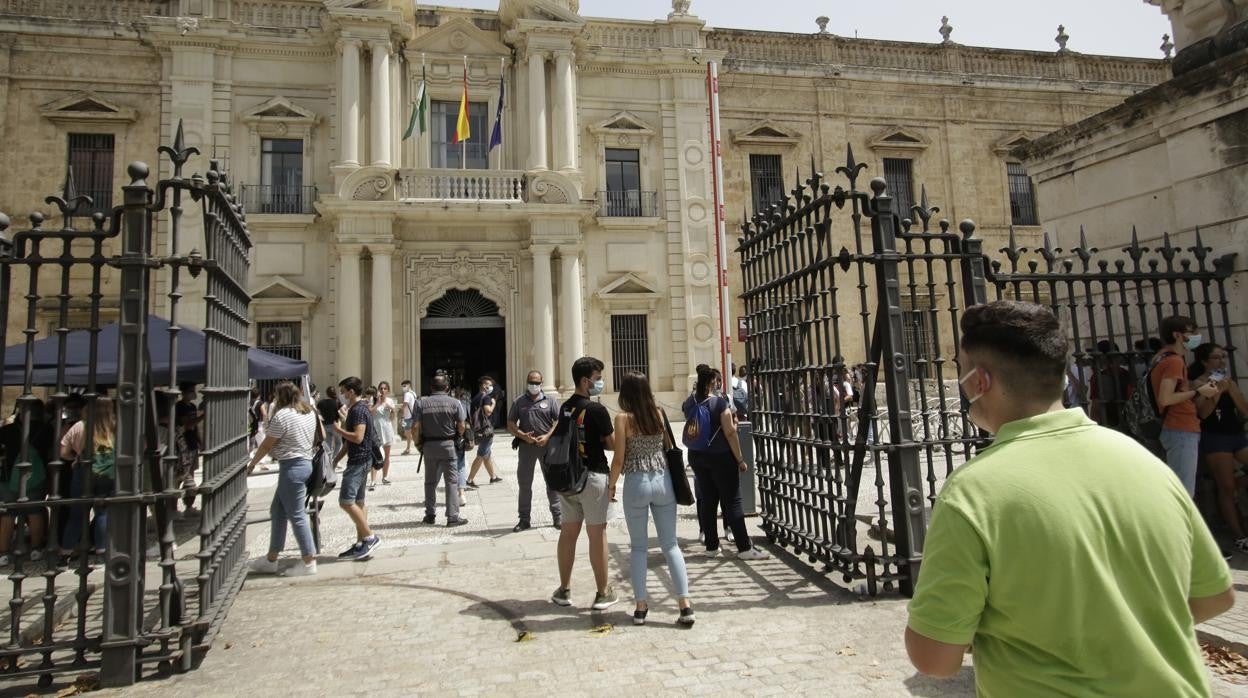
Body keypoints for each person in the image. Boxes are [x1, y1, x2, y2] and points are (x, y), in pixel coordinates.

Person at [905, 301, 1234, 695]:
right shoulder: (1145, 464)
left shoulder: (973, 493)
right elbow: (1215, 597)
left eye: (961, 370)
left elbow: (934, 658)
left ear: (980, 381)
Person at [608, 372, 694, 626]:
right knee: (670, 545)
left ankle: (641, 606)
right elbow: (668, 446)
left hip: (636, 482)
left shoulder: (623, 419)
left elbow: (619, 458)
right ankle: (684, 603)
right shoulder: (658, 413)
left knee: (638, 547)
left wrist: (611, 486)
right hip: (663, 480)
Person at [550, 356, 618, 610]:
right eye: (598, 379)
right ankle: (602, 591)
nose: (600, 383)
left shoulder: (565, 407)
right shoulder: (597, 410)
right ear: (585, 380)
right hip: (593, 476)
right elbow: (610, 444)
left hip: (568, 478)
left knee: (568, 534)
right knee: (597, 533)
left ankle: (564, 589)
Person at [684, 366, 769, 561]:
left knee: (708, 500)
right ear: (711, 382)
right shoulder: (719, 403)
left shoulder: (689, 403)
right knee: (732, 501)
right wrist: (740, 459)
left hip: (697, 455)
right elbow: (730, 433)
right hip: (721, 456)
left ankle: (712, 546)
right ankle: (744, 547)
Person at [246, 381, 319, 576]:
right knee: (277, 510)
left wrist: (252, 464)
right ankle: (271, 559)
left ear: (281, 396)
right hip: (305, 462)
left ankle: (309, 561)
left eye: (277, 396)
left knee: (297, 514)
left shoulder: (283, 415)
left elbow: (267, 444)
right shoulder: (309, 412)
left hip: (292, 466)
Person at [1152, 316, 1220, 496]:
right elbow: (1166, 398)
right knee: (1184, 491)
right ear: (1178, 335)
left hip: (1176, 428)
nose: (1197, 335)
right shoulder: (1174, 361)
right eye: (1192, 332)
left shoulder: (1161, 357)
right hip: (1180, 428)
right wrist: (1199, 392)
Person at [1190, 343, 1248, 552]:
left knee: (1234, 483)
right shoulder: (1198, 383)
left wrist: (1230, 390)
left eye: (1223, 357)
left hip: (1237, 435)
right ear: (1205, 362)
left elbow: (1244, 409)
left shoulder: (1228, 382)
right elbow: (1203, 413)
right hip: (1215, 438)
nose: (1221, 361)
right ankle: (1239, 535)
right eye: (1216, 358)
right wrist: (1215, 392)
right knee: (1226, 487)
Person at [332, 377, 381, 561]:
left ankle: (369, 537)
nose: (342, 395)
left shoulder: (359, 410)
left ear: (351, 391)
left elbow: (358, 437)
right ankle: (361, 544)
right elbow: (351, 440)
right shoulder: (359, 409)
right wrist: (337, 458)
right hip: (361, 459)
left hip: (359, 461)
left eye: (344, 391)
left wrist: (339, 430)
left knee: (346, 501)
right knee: (359, 503)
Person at [60, 396, 116, 557]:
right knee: (102, 512)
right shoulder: (114, 425)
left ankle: (66, 551)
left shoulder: (79, 425)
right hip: (107, 472)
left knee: (77, 513)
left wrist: (75, 457)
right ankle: (101, 548)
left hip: (83, 471)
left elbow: (63, 452)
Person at [507, 370, 561, 532]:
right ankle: (524, 519)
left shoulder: (550, 401)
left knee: (552, 483)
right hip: (526, 447)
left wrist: (548, 435)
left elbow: (558, 421)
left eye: (537, 382)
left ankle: (558, 517)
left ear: (542, 382)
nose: (534, 385)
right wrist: (522, 435)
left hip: (547, 447)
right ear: (526, 382)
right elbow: (510, 423)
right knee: (524, 484)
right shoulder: (519, 402)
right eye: (531, 382)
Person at [0, 399, 52, 565]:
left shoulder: (7, 430)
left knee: (8, 514)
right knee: (35, 511)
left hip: (9, 476)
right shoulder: (47, 430)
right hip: (35, 475)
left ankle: (4, 553)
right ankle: (36, 549)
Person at [413, 374, 468, 526]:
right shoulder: (455, 402)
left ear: (431, 387)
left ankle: (430, 514)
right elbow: (462, 425)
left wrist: (418, 444)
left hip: (429, 445)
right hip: (448, 444)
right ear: (447, 387)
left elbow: (415, 427)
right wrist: (458, 436)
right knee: (451, 481)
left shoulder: (421, 403)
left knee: (430, 482)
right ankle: (452, 517)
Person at [466, 375, 501, 488]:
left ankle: (493, 477)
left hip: (478, 429)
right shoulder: (486, 397)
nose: (491, 387)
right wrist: (494, 403)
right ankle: (470, 480)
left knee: (487, 454)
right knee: (481, 454)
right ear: (484, 385)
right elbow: (488, 411)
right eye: (489, 385)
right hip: (486, 430)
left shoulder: (476, 397)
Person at [174, 383, 202, 517]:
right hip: (183, 445)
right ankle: (173, 507)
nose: (194, 393)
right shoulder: (179, 407)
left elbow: (194, 428)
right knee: (179, 476)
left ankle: (189, 506)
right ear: (184, 393)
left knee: (190, 477)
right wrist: (203, 416)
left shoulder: (192, 406)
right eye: (191, 391)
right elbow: (187, 424)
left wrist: (200, 441)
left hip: (192, 443)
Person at [369, 381, 397, 489]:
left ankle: (384, 477)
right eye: (381, 388)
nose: (383, 390)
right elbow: (370, 412)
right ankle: (373, 481)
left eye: (385, 388)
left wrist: (391, 408)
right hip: (376, 429)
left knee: (387, 455)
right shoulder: (374, 400)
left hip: (386, 429)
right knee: (375, 455)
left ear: (388, 390)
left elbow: (393, 417)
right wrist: (378, 403)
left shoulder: (390, 400)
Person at [316, 386, 341, 470]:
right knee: (338, 443)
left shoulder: (321, 402)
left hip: (325, 426)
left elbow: (318, 413)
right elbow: (337, 415)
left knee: (328, 445)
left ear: (326, 393)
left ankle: (329, 461)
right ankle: (334, 458)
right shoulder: (335, 402)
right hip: (334, 425)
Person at [399, 379, 417, 456]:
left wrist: (402, 416)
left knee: (407, 433)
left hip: (408, 416)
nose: (403, 388)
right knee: (410, 433)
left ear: (409, 385)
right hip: (413, 416)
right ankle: (408, 448)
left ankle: (408, 448)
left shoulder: (407, 394)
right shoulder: (413, 393)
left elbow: (405, 405)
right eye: (402, 386)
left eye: (404, 386)